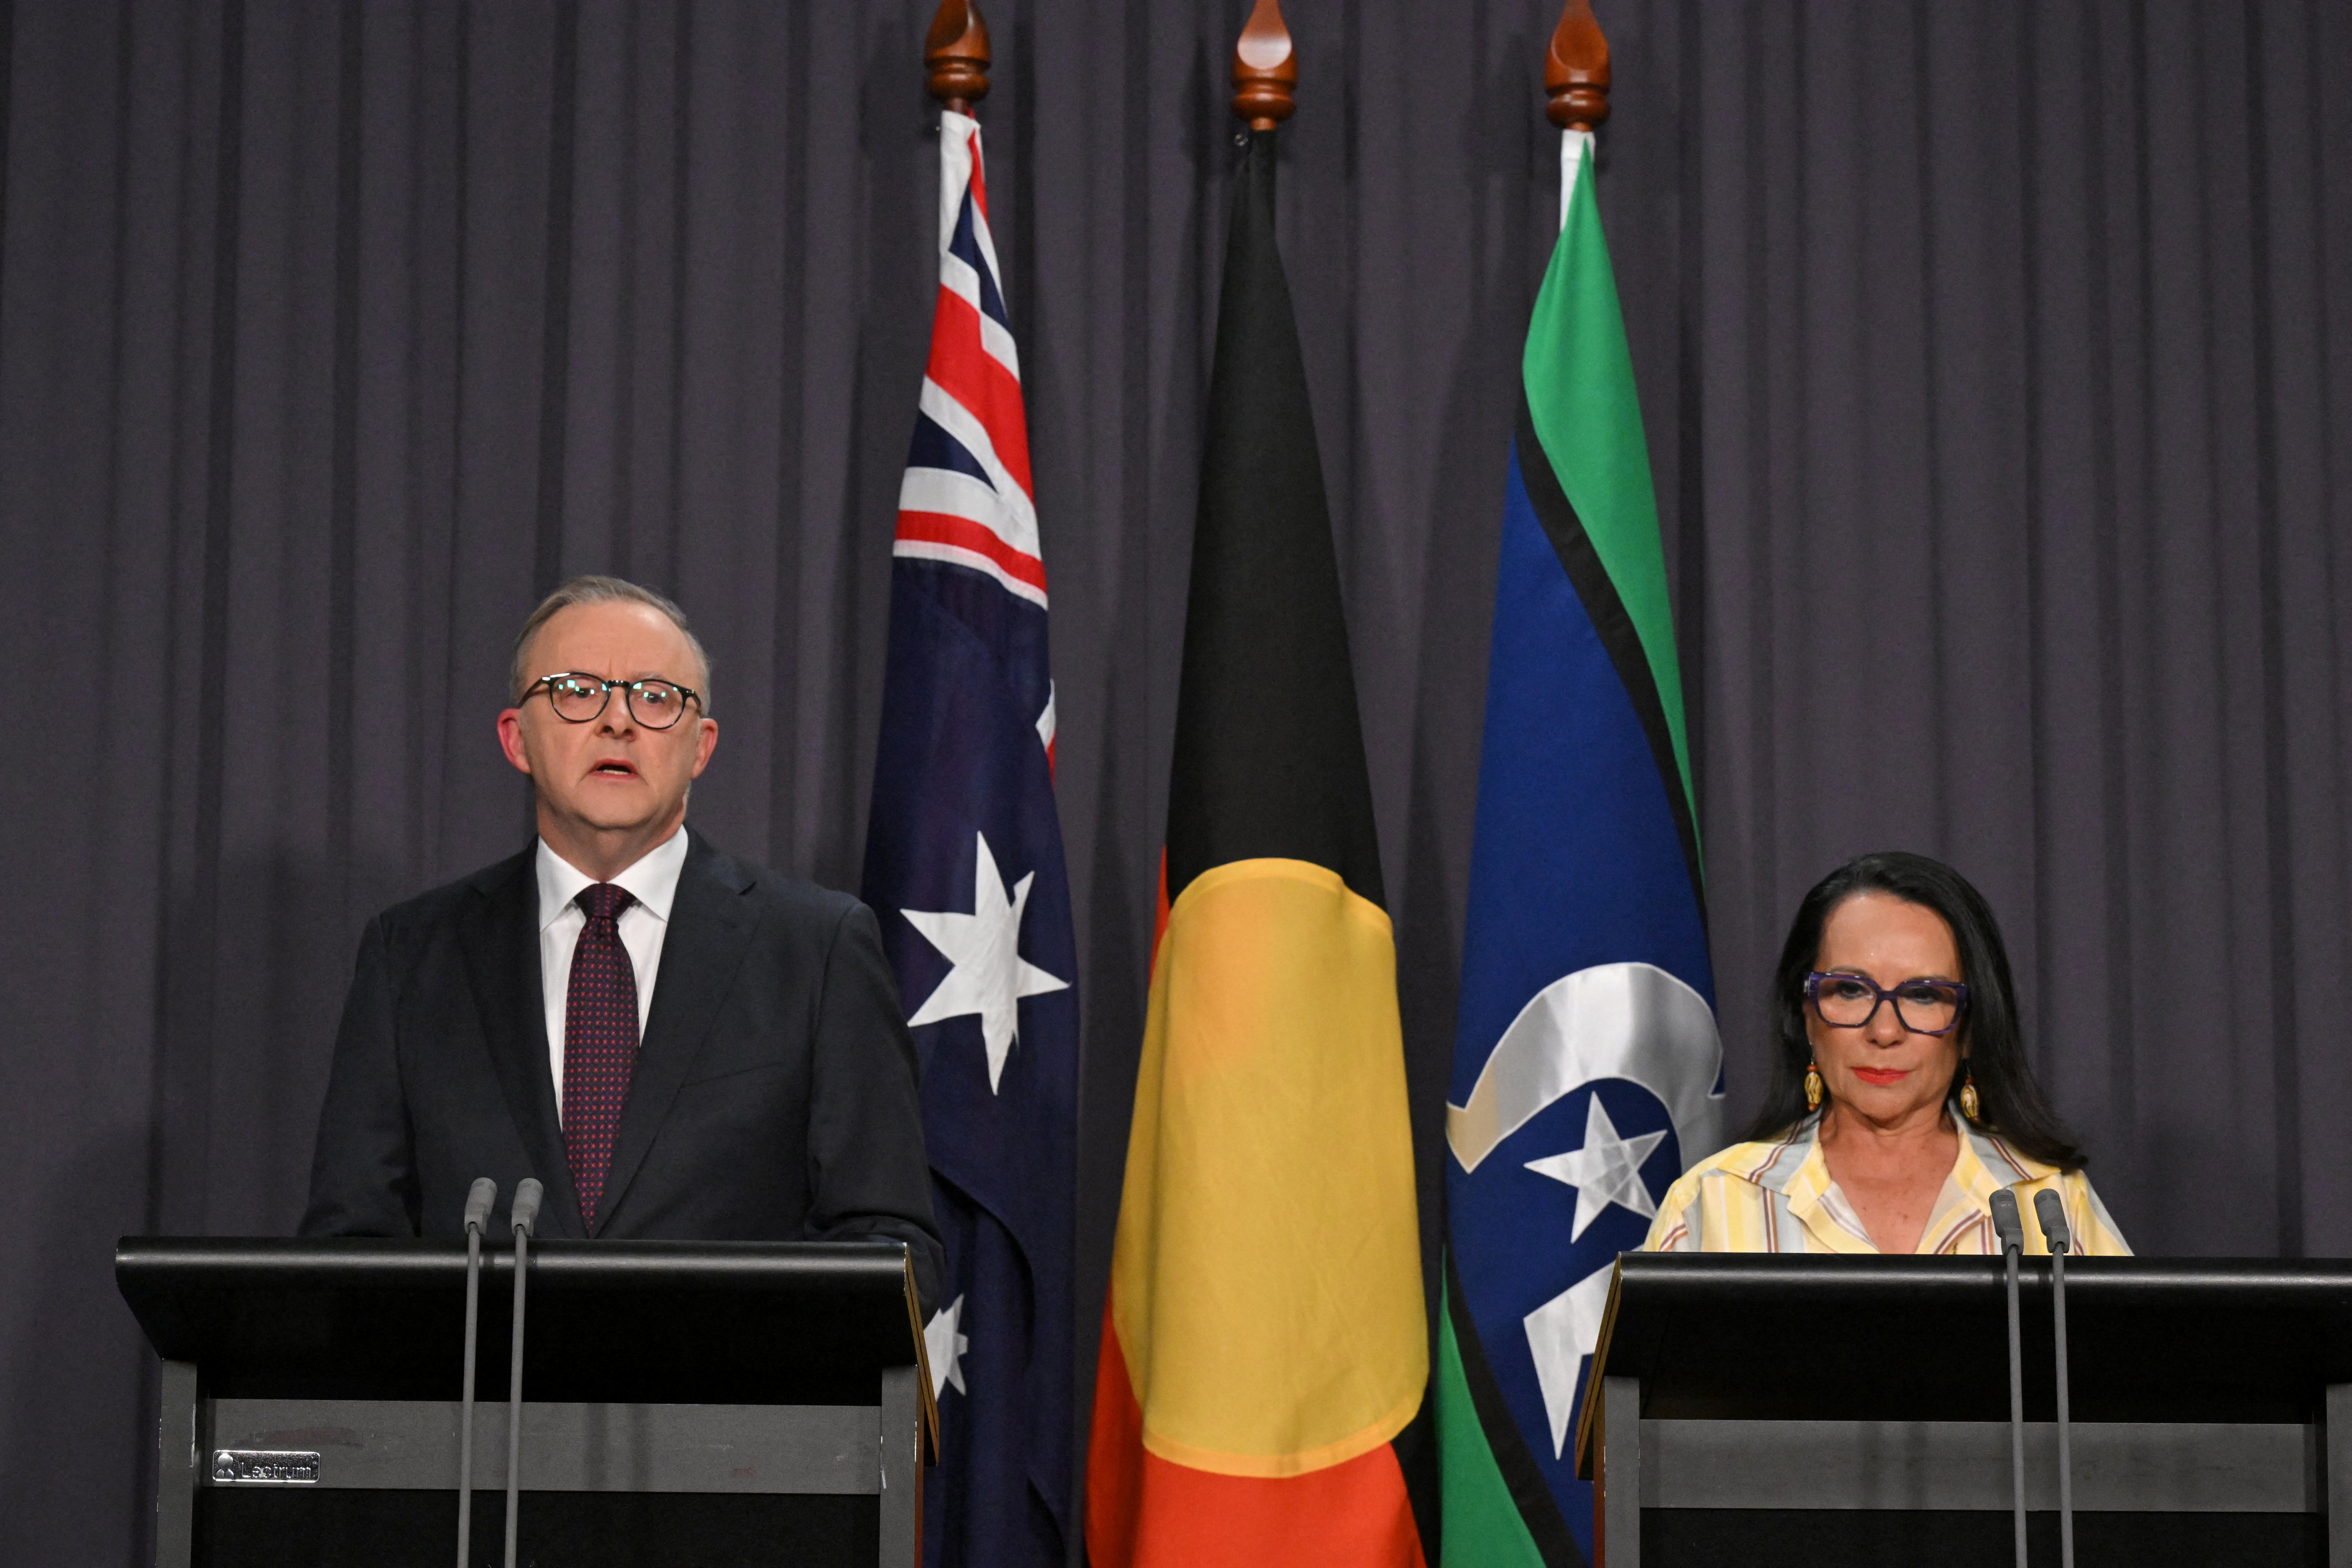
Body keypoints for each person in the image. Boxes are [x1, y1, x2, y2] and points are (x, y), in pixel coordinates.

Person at [300, 576, 943, 1309]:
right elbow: (349, 1249)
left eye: (656, 697)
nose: (617, 721)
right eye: (577, 691)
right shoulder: (411, 955)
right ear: (516, 738)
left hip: (727, 1416)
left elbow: (891, 1247)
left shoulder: (818, 948)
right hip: (481, 1419)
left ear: (701, 747)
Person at [1646, 850, 2127, 1256]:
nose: (1883, 1031)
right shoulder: (1709, 1203)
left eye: (1923, 996)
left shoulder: (2051, 1204)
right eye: (1850, 990)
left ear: (1970, 1029)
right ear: (1807, 1016)